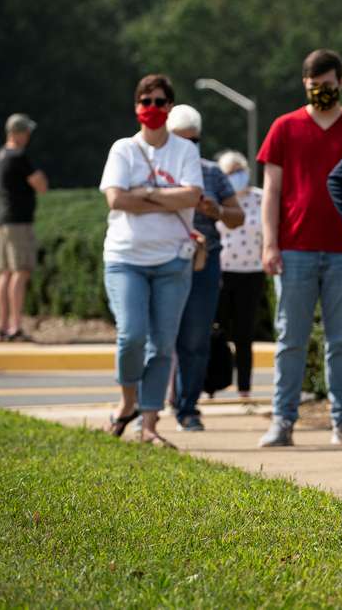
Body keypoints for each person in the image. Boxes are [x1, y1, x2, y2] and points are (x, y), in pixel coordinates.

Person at [258, 49, 342, 448]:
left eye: (326, 86)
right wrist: (269, 244)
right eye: (312, 87)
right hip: (294, 250)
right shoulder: (284, 128)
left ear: (340, 83)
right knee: (291, 337)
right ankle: (282, 421)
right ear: (303, 86)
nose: (319, 92)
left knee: (341, 339)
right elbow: (270, 191)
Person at [99, 74, 203, 446]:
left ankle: (149, 423)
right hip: (126, 257)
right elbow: (116, 200)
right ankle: (127, 402)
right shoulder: (123, 149)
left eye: (160, 102)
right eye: (146, 102)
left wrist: (143, 193)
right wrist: (165, 195)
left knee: (161, 345)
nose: (153, 108)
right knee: (132, 335)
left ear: (170, 108)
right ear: (136, 107)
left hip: (173, 259)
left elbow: (192, 196)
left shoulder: (185, 151)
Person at [167, 105, 243, 430]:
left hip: (204, 261)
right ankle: (152, 406)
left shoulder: (212, 173)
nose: (188, 148)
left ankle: (188, 407)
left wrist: (217, 212)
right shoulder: (156, 172)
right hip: (163, 259)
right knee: (159, 337)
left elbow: (237, 216)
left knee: (196, 338)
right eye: (180, 141)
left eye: (193, 141)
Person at [0, 113, 48, 342]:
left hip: (4, 220)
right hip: (18, 221)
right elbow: (41, 185)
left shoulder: (1, 155)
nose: (28, 136)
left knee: (5, 272)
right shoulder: (19, 156)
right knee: (20, 272)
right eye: (25, 131)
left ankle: (3, 324)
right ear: (15, 132)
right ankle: (15, 326)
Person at [216, 150, 265, 399]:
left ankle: (244, 387)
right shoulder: (216, 199)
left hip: (252, 273)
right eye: (229, 172)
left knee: (244, 333)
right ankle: (213, 383)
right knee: (217, 331)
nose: (235, 176)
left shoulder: (260, 198)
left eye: (239, 170)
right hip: (221, 272)